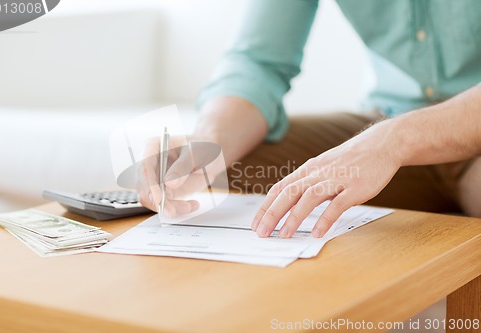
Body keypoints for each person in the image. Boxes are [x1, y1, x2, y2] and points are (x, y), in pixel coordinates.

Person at [138, 0, 481, 239]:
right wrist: (208, 143)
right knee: (225, 173)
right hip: (384, 120)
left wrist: (396, 139)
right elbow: (259, 61)